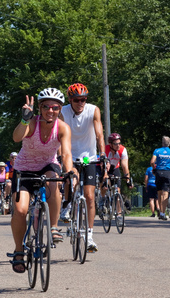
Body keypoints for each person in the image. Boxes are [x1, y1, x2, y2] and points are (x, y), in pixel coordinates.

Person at [9, 88, 72, 273]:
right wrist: (24, 119)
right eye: (46, 107)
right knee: (20, 211)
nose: (50, 111)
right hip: (24, 168)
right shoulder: (31, 123)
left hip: (47, 166)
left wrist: (69, 170)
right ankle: (19, 251)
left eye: (55, 107)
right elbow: (16, 137)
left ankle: (53, 227)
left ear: (60, 109)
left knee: (55, 181)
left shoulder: (62, 128)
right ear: (39, 107)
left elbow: (67, 153)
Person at [59, 83, 105, 252]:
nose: (81, 103)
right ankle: (67, 204)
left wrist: (102, 154)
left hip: (88, 156)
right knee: (73, 178)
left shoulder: (93, 110)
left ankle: (90, 235)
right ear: (70, 100)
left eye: (83, 99)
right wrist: (59, 155)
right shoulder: (62, 112)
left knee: (89, 196)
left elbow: (99, 133)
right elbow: (59, 134)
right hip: (70, 153)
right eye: (77, 100)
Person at [150, 136, 170, 220]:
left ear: (162, 143)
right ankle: (162, 213)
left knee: (159, 193)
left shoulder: (157, 151)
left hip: (158, 172)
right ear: (169, 143)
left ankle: (160, 211)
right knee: (165, 193)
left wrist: (154, 168)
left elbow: (152, 162)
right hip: (167, 173)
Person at [99, 133, 133, 209]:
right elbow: (103, 165)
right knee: (104, 183)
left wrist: (128, 180)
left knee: (118, 190)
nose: (118, 145)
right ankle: (102, 198)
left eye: (119, 143)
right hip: (103, 167)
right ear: (110, 144)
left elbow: (125, 166)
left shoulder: (122, 150)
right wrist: (105, 176)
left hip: (115, 167)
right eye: (115, 144)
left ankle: (119, 214)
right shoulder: (105, 150)